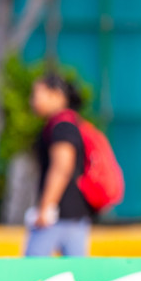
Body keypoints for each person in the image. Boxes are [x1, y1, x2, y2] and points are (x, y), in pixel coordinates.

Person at [25, 73, 93, 257]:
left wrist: (46, 208)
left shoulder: (62, 126)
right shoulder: (71, 123)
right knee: (79, 275)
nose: (32, 101)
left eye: (36, 94)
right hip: (76, 215)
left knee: (30, 272)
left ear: (55, 94)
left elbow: (62, 167)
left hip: (57, 217)